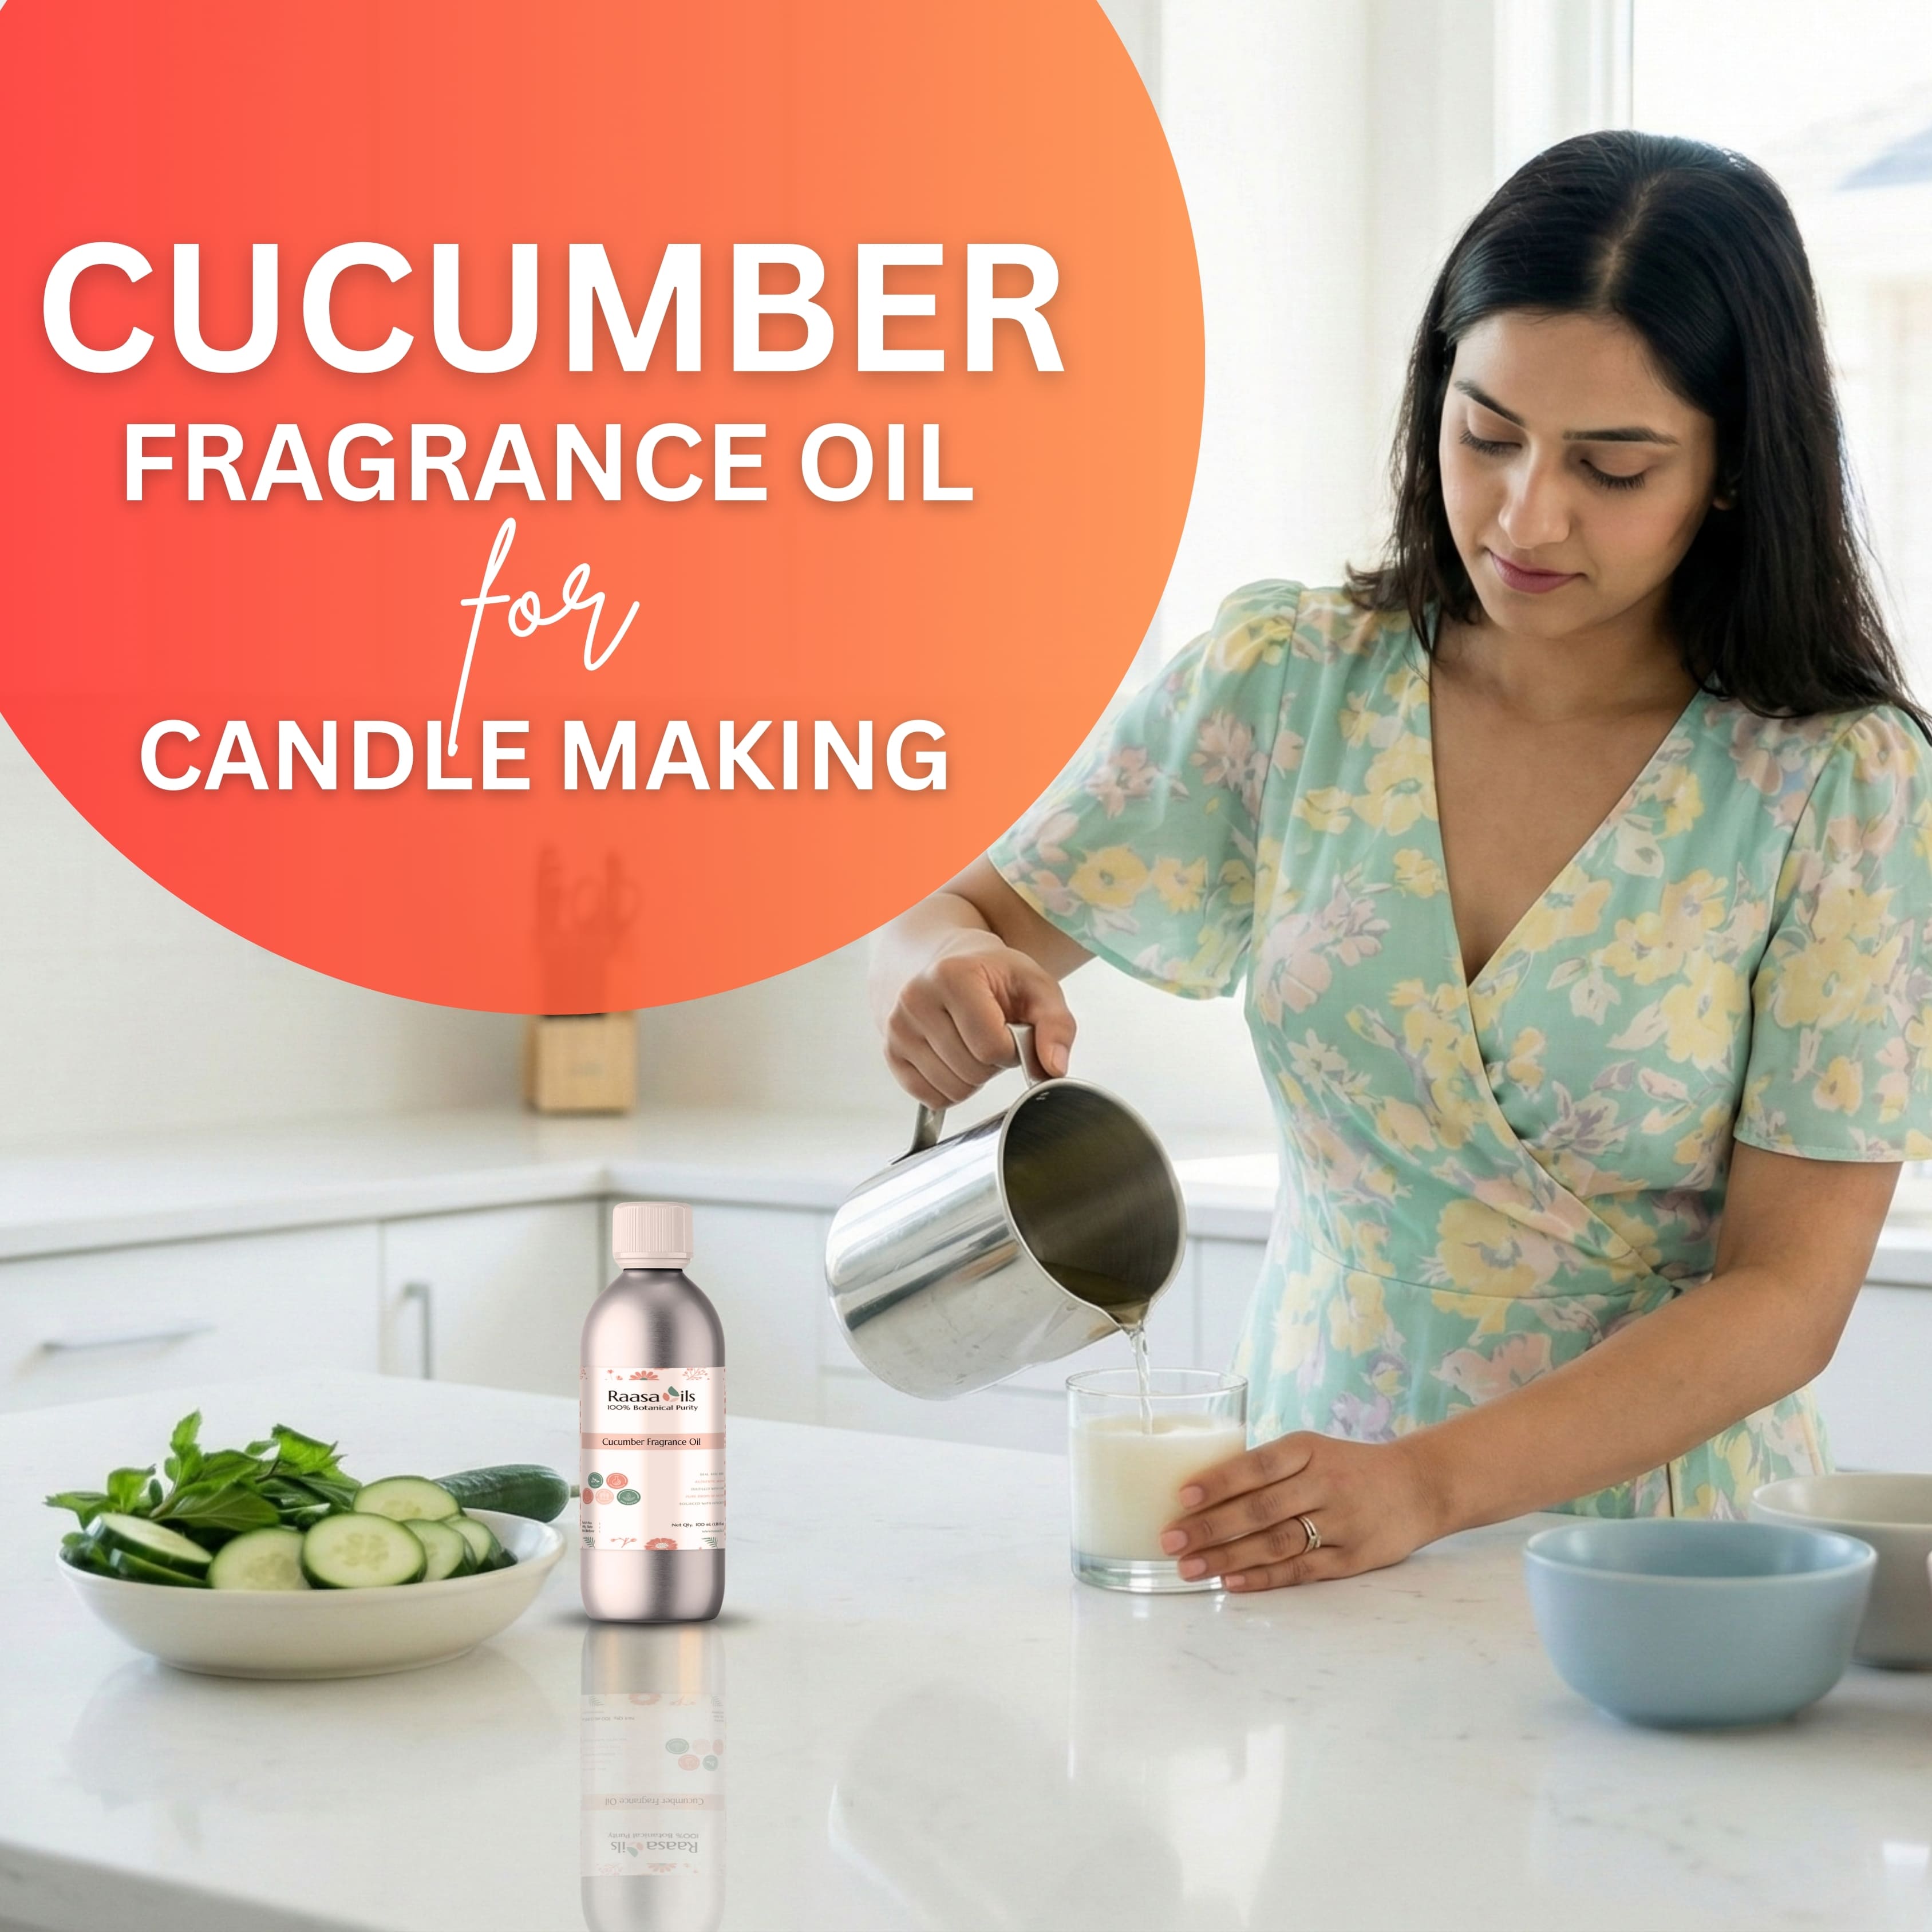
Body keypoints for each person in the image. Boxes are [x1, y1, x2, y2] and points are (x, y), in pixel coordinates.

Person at [869, 130, 1932, 1591]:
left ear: (1734, 472)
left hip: (1658, 1564)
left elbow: (1787, 1296)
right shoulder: (1286, 678)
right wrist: (942, 972)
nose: (1521, 514)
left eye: (1610, 467)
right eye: (1484, 433)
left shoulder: (1838, 783)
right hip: (1298, 1515)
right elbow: (958, 911)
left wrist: (1429, 1483)